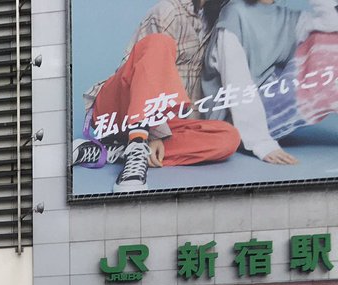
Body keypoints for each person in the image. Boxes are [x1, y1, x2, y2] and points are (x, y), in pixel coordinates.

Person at [75, 0, 241, 192]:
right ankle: (134, 155)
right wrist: (154, 133)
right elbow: (138, 69)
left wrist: (186, 130)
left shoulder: (216, 18)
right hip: (117, 110)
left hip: (160, 121)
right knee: (159, 43)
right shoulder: (168, 11)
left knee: (228, 138)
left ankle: (113, 151)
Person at [202, 0, 338, 164]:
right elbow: (237, 85)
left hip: (263, 100)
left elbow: (331, 24)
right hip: (232, 118)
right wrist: (261, 143)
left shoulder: (281, 15)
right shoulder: (234, 15)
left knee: (328, 40)